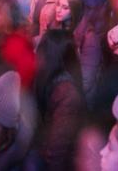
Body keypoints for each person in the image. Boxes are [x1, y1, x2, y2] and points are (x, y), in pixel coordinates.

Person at [33, 29, 86, 169]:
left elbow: (57, 148)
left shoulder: (67, 94)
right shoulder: (47, 80)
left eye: (41, 51)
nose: (36, 55)